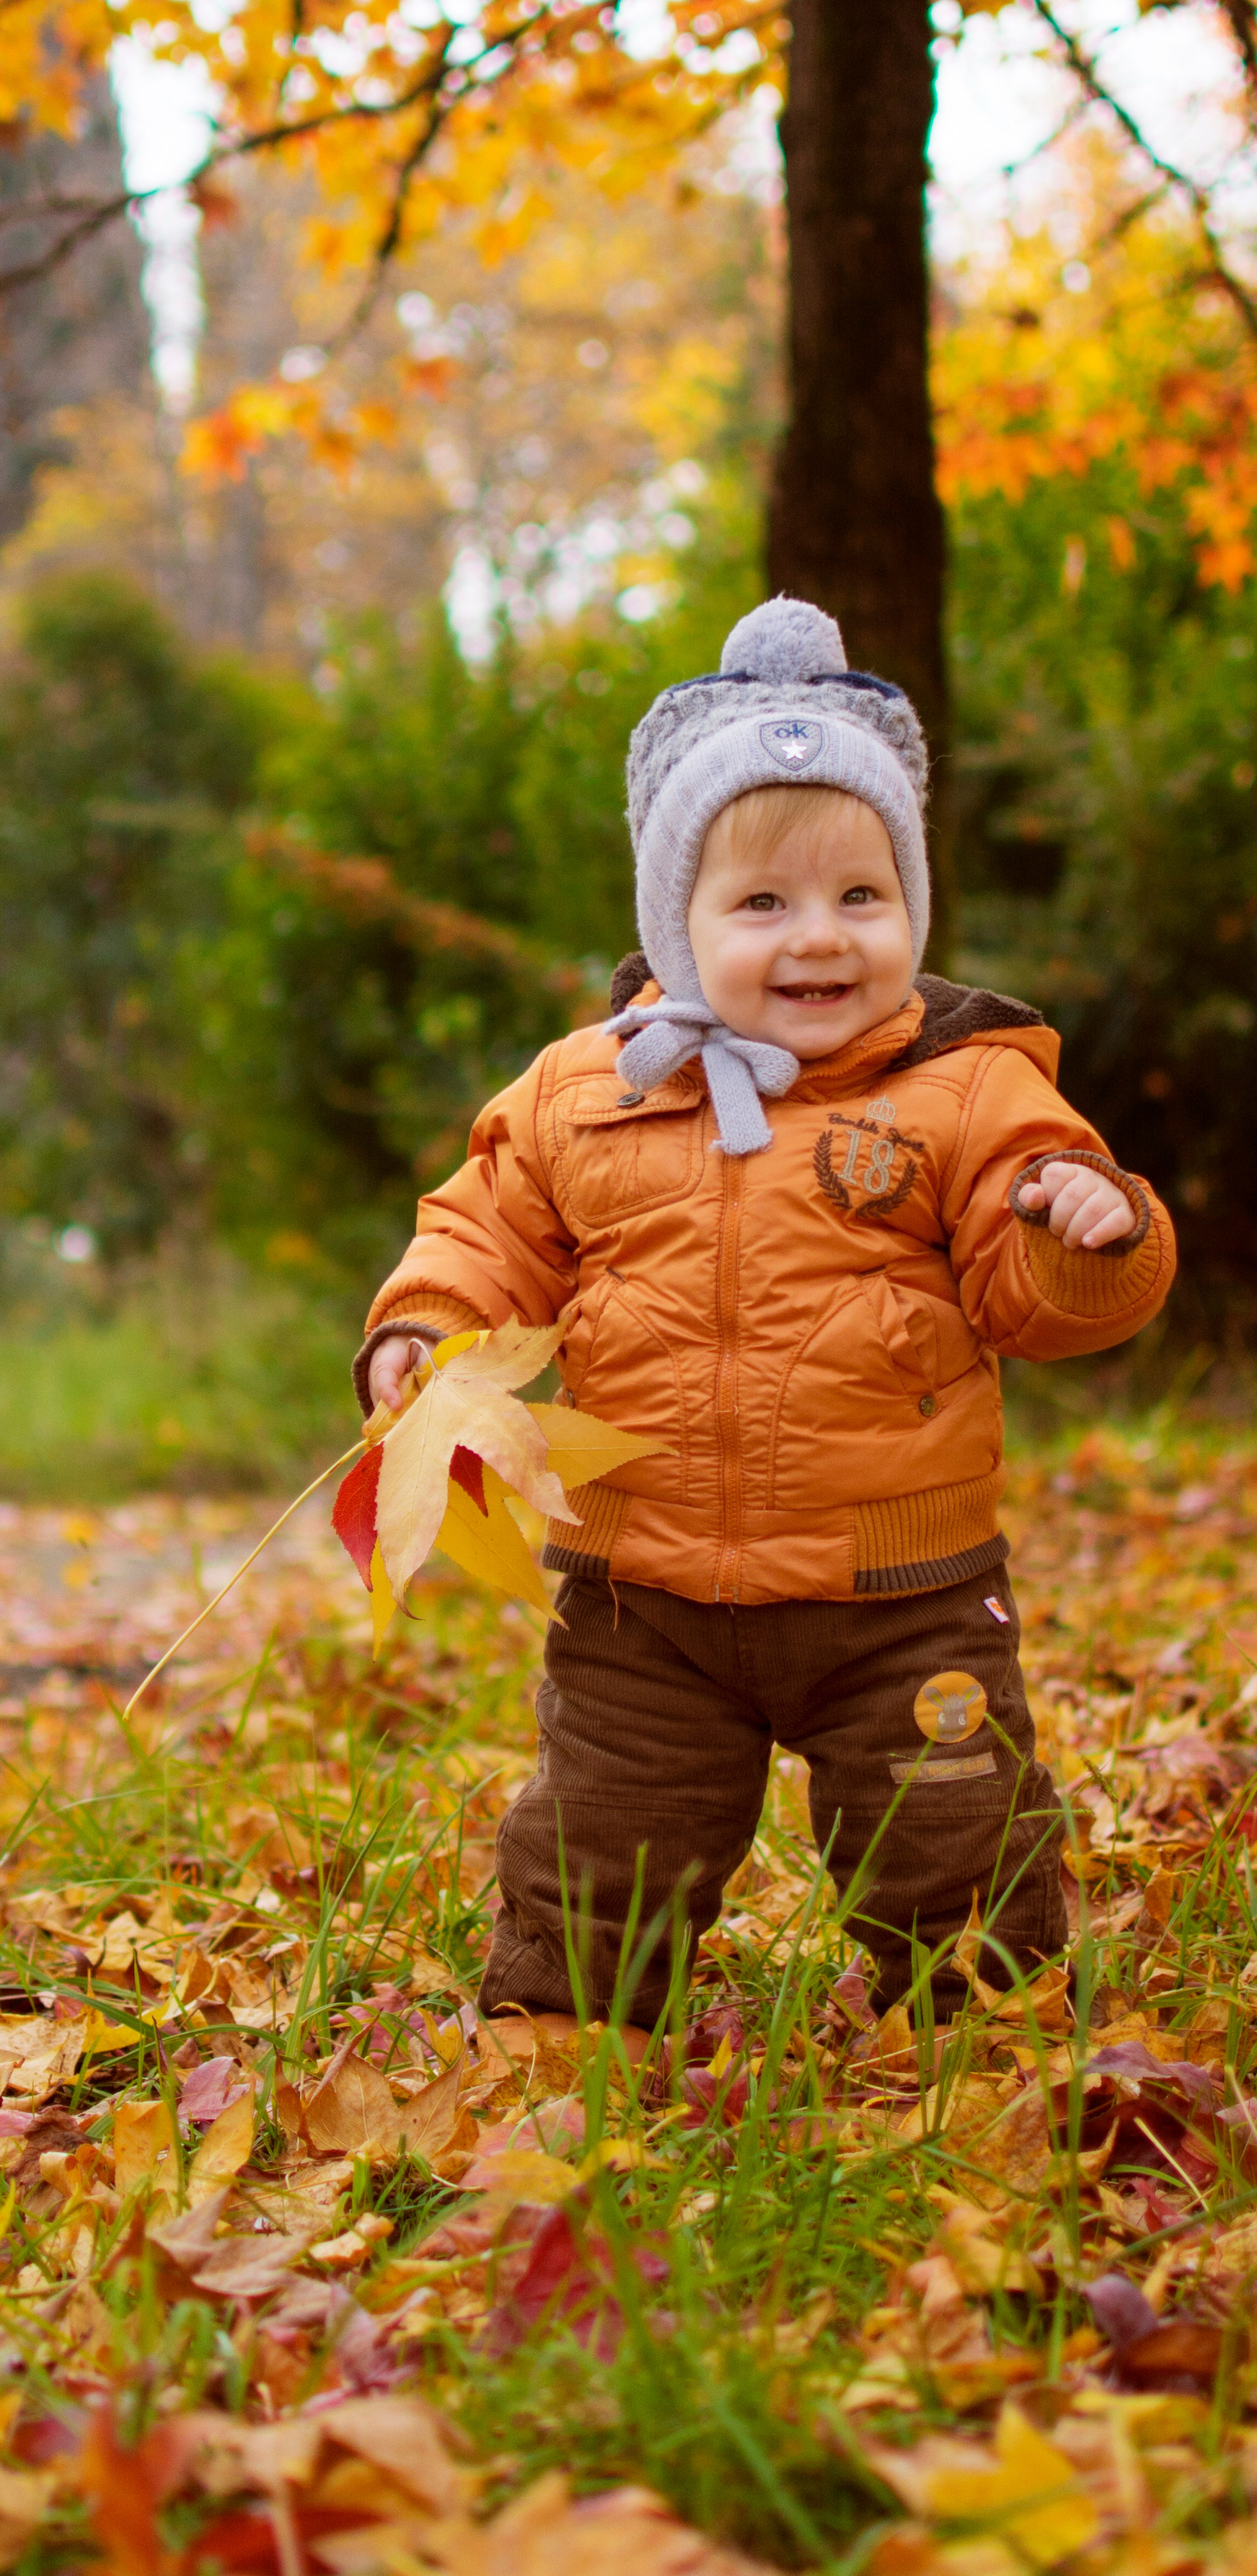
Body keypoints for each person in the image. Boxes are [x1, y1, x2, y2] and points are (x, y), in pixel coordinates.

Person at [356, 597, 1176, 2029]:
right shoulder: (582, 1091)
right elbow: (482, 1228)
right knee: (600, 1848)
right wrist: (424, 1330)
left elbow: (1030, 1287)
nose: (819, 938)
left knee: (950, 1837)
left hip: (897, 1593)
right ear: (673, 925)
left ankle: (984, 2032)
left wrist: (1085, 1231)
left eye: (862, 898)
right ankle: (562, 2040)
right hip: (642, 1597)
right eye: (761, 905)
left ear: (912, 907)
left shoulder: (969, 1090)